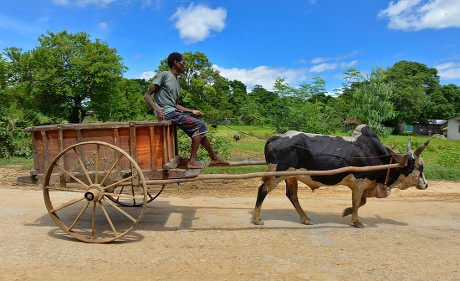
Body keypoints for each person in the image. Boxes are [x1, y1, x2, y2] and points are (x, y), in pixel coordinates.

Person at [144, 52, 229, 169]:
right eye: (183, 63)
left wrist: (191, 111)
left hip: (173, 111)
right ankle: (192, 161)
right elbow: (147, 96)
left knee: (201, 133)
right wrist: (157, 110)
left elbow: (175, 105)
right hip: (167, 113)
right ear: (175, 63)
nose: (185, 66)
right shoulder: (165, 75)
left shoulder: (177, 82)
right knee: (200, 126)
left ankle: (214, 158)